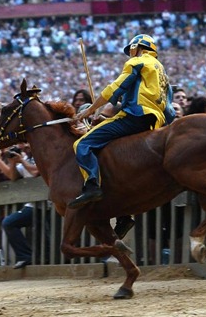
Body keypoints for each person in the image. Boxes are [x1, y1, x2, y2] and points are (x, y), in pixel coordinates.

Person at [68, 34, 175, 209]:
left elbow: (114, 88)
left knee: (82, 144)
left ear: (137, 47)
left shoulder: (137, 62)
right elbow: (169, 111)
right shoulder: (162, 74)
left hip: (135, 116)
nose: (130, 54)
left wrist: (89, 110)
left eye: (131, 50)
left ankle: (92, 186)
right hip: (154, 122)